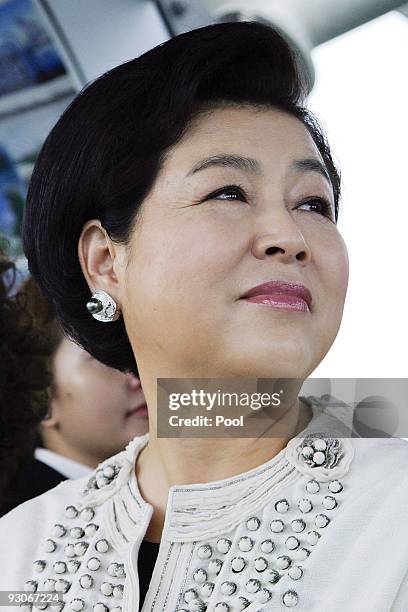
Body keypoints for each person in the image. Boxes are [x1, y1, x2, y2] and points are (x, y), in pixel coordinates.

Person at [0, 20, 407, 612]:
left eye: (313, 204)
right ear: (106, 261)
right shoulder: (18, 551)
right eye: (228, 193)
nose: (289, 236)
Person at [0, 275, 148, 517]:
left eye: (135, 351)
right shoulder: (22, 521)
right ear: (42, 397)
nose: (137, 376)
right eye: (101, 359)